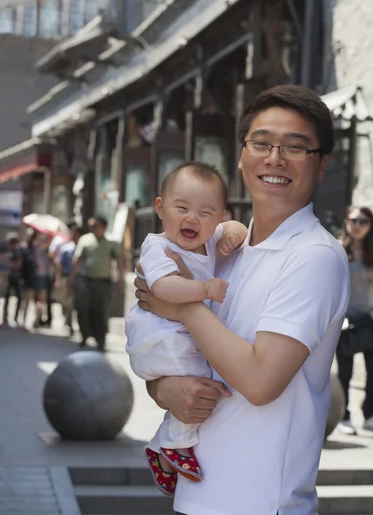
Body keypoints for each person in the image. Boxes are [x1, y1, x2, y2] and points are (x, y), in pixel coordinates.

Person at [134, 85, 350, 515]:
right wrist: (162, 388)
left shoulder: (314, 257)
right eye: (262, 142)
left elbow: (258, 381)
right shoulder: (224, 249)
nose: (275, 158)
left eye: (296, 147)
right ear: (241, 154)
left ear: (322, 164)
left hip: (260, 502)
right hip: (198, 495)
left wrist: (184, 304)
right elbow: (180, 346)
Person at [125, 162, 247, 495]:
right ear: (161, 208)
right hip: (158, 335)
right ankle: (173, 446)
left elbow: (237, 228)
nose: (193, 219)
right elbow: (162, 289)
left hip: (176, 333)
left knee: (197, 377)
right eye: (182, 208)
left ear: (219, 216)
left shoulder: (208, 241)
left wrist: (233, 234)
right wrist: (204, 291)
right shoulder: (158, 248)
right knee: (195, 381)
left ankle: (165, 449)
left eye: (206, 213)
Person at [336, 206, 373, 435]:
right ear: (346, 222)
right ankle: (344, 417)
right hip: (346, 321)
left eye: (363, 221)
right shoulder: (337, 250)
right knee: (345, 373)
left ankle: (369, 415)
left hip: (370, 319)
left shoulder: (372, 254)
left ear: (370, 226)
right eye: (354, 220)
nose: (358, 225)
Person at [70, 216, 125, 351]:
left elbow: (119, 260)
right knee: (83, 308)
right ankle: (84, 335)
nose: (93, 229)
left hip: (103, 281)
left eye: (95, 226)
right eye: (91, 226)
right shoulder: (85, 240)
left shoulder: (112, 242)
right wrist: (72, 276)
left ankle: (100, 339)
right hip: (86, 279)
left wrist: (121, 279)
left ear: (104, 227)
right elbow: (78, 260)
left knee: (101, 311)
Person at [54, 226, 84, 336]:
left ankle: (78, 325)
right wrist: (58, 279)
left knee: (78, 303)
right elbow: (60, 265)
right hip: (67, 277)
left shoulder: (83, 248)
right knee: (67, 302)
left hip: (80, 278)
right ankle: (69, 323)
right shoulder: (66, 248)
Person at [19, 229, 38, 329]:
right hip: (22, 277)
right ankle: (20, 320)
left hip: (32, 277)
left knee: (28, 301)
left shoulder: (35, 248)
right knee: (23, 300)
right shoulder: (22, 248)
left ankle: (25, 322)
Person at [3, 233, 22, 326]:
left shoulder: (17, 252)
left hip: (16, 277)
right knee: (6, 298)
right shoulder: (5, 251)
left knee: (19, 297)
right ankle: (4, 317)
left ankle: (15, 317)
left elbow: (18, 264)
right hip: (6, 277)